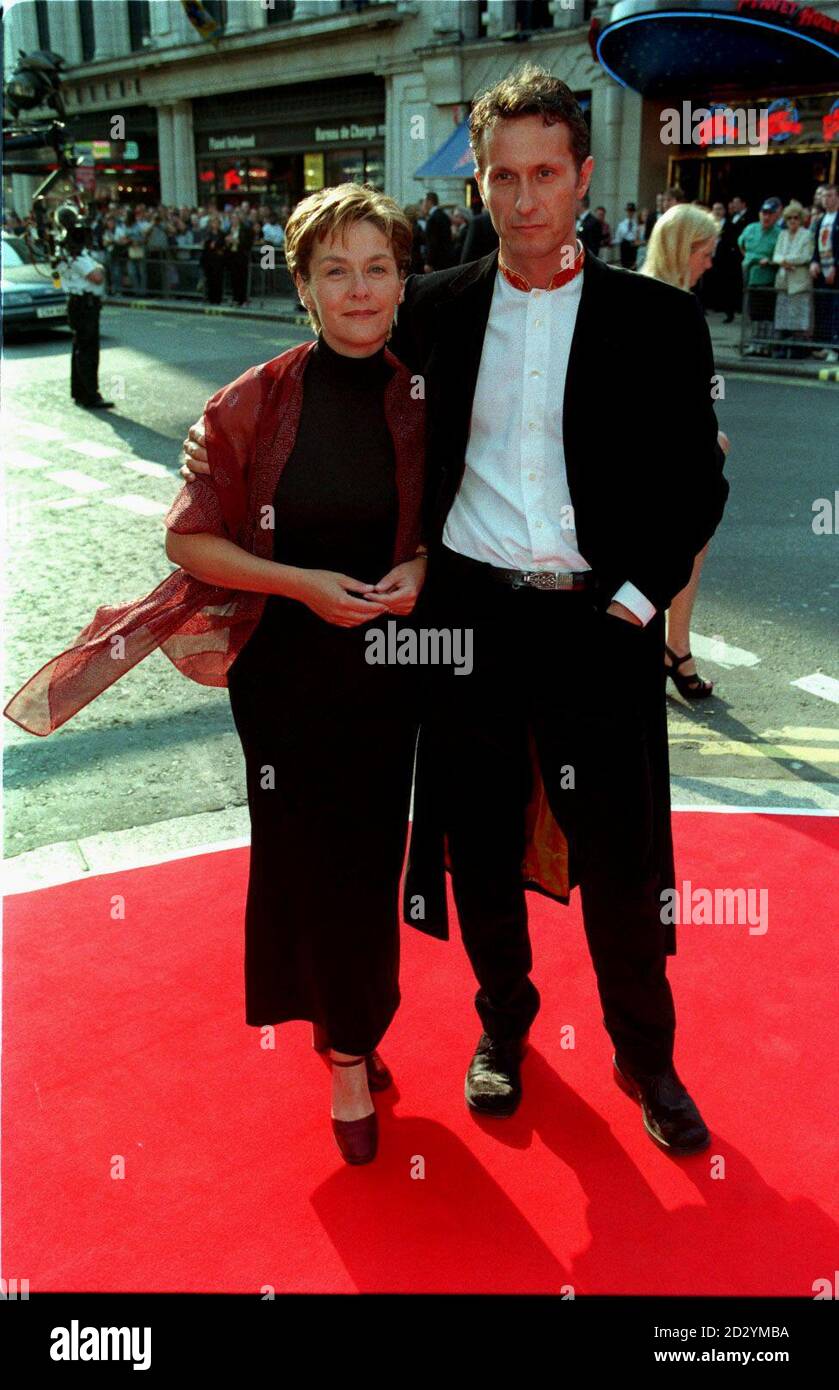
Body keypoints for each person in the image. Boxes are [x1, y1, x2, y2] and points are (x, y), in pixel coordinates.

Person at [180, 67, 730, 1158]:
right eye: (502, 177)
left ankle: (644, 1053)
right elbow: (337, 402)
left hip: (599, 624)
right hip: (471, 618)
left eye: (544, 174)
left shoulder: (659, 320)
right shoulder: (430, 312)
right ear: (477, 184)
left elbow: (694, 483)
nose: (525, 200)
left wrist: (633, 598)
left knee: (618, 855)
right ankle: (503, 1028)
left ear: (580, 178)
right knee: (477, 844)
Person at [3, 183, 426, 1170]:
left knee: (368, 860)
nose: (358, 289)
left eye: (376, 268)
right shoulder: (250, 401)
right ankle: (348, 1058)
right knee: (299, 854)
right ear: (304, 287)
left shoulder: (424, 398)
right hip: (281, 672)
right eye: (336, 271)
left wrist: (424, 571)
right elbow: (190, 540)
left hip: (392, 667)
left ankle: (351, 1020)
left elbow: (466, 523)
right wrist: (298, 584)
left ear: (402, 281)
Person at [641, 203, 731, 697]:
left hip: (636, 458)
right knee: (692, 536)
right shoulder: (679, 308)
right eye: (706, 251)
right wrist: (711, 442)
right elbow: (694, 403)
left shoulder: (629, 293)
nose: (711, 262)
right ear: (684, 250)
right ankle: (676, 646)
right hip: (667, 464)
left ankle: (670, 644)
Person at [54, 208, 114, 410]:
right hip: (84, 303)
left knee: (80, 348)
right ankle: (90, 395)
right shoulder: (74, 253)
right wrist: (100, 267)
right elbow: (96, 276)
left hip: (78, 303)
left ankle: (79, 392)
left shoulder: (64, 248)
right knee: (87, 350)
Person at [772, 200, 815, 358]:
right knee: (783, 316)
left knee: (799, 316)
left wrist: (786, 260)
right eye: (789, 218)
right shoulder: (782, 234)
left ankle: (798, 350)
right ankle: (782, 349)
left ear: (801, 219)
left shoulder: (807, 234)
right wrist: (783, 261)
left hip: (799, 281)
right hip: (783, 280)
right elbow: (776, 254)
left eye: (796, 218)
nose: (792, 221)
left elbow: (806, 256)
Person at [739, 198, 781, 356]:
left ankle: (765, 345)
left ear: (776, 215)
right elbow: (741, 244)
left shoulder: (778, 233)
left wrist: (768, 261)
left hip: (768, 278)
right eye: (764, 213)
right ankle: (755, 344)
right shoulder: (751, 228)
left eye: (770, 214)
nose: (766, 217)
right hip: (750, 277)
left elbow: (779, 254)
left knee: (766, 314)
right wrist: (751, 258)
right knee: (753, 313)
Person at [809, 182, 839, 361]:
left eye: (830, 196)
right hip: (822, 272)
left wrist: (835, 266)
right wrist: (814, 262)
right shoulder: (820, 220)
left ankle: (835, 348)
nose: (826, 200)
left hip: (835, 272)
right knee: (823, 309)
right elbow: (816, 246)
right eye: (824, 196)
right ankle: (823, 345)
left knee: (836, 310)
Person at [717, 195, 753, 321]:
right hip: (729, 258)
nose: (734, 205)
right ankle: (729, 312)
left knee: (741, 284)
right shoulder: (731, 218)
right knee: (729, 285)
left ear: (743, 204)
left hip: (741, 256)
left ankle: (742, 310)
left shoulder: (749, 218)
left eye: (737, 203)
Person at [421, 190, 455, 271]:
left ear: (429, 202)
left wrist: (429, 262)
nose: (423, 205)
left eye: (424, 202)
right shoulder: (444, 216)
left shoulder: (432, 219)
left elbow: (432, 242)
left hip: (437, 262)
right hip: (447, 260)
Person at [200, 216, 227, 304]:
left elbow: (223, 245)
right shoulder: (208, 233)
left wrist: (215, 245)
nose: (215, 224)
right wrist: (213, 245)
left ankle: (218, 299)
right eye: (213, 223)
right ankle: (210, 298)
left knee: (218, 280)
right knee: (209, 280)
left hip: (219, 260)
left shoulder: (222, 234)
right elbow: (206, 245)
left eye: (217, 223)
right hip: (209, 259)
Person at [615, 201, 640, 269]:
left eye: (632, 211)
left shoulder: (636, 225)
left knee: (633, 267)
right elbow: (618, 238)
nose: (630, 213)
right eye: (629, 211)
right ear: (626, 211)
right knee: (624, 267)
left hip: (633, 247)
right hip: (624, 246)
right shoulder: (621, 225)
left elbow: (638, 238)